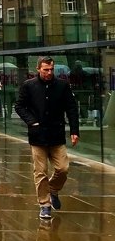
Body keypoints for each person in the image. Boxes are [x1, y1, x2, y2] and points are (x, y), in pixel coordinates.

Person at [14, 55, 79, 221]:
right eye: (46, 69)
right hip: (38, 137)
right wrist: (31, 122)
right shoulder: (29, 86)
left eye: (51, 69)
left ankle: (53, 189)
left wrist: (74, 130)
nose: (49, 72)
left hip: (56, 135)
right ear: (38, 69)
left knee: (63, 168)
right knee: (40, 172)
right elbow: (19, 106)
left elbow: (71, 108)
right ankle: (44, 205)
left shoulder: (62, 86)